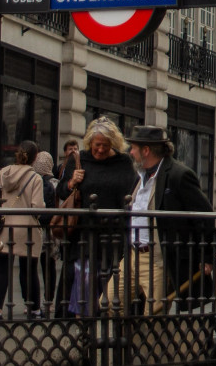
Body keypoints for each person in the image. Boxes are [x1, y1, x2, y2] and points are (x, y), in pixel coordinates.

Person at [118, 125, 213, 315]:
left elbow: (204, 215)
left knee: (154, 315)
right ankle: (130, 335)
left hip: (158, 258)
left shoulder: (179, 175)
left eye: (134, 148)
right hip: (132, 254)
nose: (131, 152)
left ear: (146, 150)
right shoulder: (138, 175)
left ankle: (151, 336)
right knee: (110, 303)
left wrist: (206, 256)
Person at [54, 117, 137, 317]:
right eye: (97, 145)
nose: (100, 149)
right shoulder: (79, 160)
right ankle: (79, 323)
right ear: (90, 142)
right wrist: (72, 182)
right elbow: (61, 191)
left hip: (113, 237)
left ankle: (106, 323)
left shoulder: (123, 162)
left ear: (113, 144)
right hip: (83, 237)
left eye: (105, 146)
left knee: (110, 287)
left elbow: (133, 192)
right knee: (81, 285)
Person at [0, 141, 46, 319]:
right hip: (27, 228)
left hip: (6, 226)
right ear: (35, 158)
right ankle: (33, 308)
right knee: (28, 270)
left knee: (2, 269)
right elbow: (37, 206)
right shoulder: (35, 178)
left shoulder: (3, 173)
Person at [32, 150, 58, 304]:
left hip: (35, 227)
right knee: (49, 266)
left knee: (31, 266)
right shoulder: (55, 184)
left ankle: (31, 302)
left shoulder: (32, 182)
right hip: (51, 230)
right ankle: (49, 298)